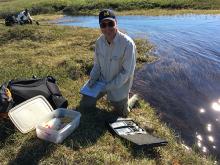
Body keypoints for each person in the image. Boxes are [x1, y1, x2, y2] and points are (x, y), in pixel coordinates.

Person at [80, 9, 137, 117]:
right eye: (103, 25)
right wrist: (92, 80)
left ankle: (131, 100)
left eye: (110, 24)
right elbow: (97, 65)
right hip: (101, 83)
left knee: (122, 114)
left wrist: (108, 87)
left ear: (116, 23)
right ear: (100, 26)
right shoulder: (99, 42)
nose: (107, 28)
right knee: (84, 105)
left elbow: (126, 73)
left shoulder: (128, 44)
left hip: (119, 88)